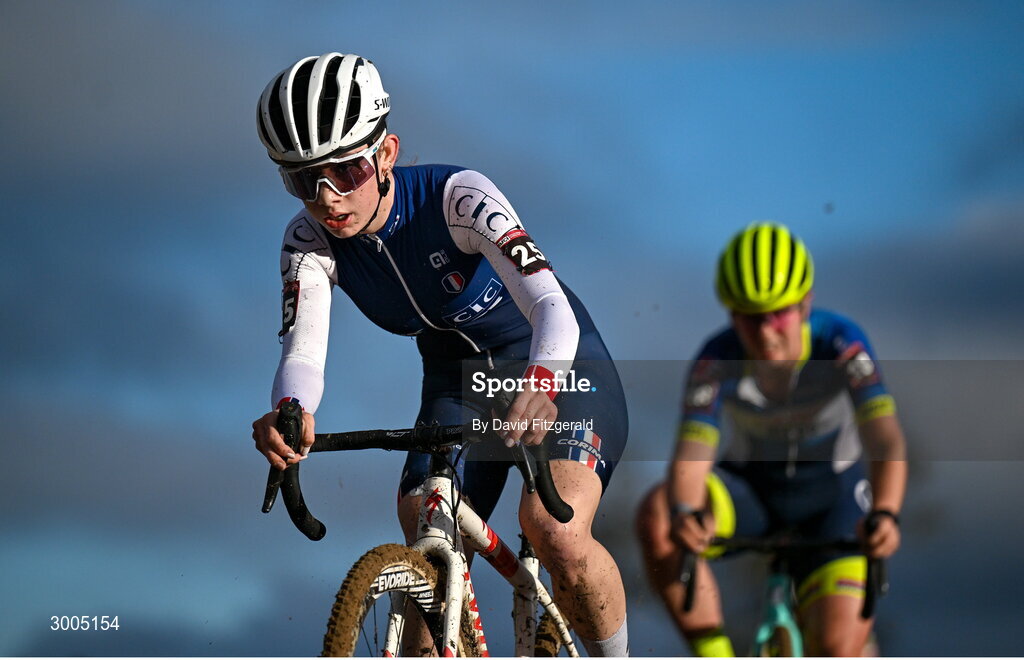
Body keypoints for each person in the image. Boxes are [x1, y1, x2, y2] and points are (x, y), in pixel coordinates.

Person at [249, 52, 629, 656]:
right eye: (302, 180)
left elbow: (551, 308)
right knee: (426, 544)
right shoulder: (307, 242)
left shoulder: (458, 198)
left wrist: (543, 382)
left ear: (386, 153)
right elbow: (303, 352)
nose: (325, 198)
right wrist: (289, 411)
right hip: (457, 383)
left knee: (555, 534)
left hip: (553, 358)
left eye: (344, 172)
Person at [635, 222, 906, 656]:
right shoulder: (716, 359)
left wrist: (887, 513)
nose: (765, 331)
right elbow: (691, 455)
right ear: (731, 315)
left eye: (777, 313)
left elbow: (886, 440)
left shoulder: (841, 343)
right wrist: (687, 512)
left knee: (836, 649)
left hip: (833, 500)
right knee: (660, 514)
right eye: (749, 317)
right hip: (752, 493)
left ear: (804, 304)